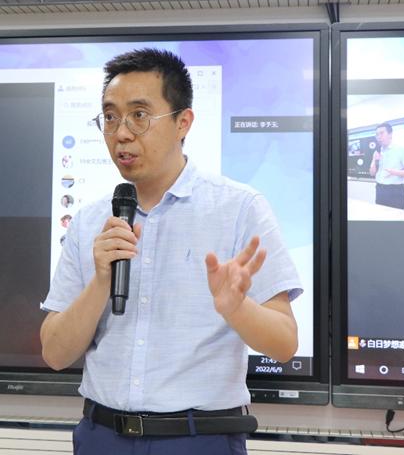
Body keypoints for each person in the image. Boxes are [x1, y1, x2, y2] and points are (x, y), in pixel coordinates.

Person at [40, 48, 302, 455]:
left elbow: (284, 344)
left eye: (139, 115)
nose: (121, 133)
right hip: (101, 436)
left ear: (183, 122)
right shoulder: (91, 221)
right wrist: (101, 281)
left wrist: (237, 308)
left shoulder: (239, 208)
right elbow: (55, 353)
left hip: (199, 439)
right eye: (110, 117)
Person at [369, 122, 404, 210]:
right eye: (377, 134)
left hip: (395, 191)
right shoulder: (377, 151)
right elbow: (372, 173)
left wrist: (393, 172)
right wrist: (374, 160)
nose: (379, 137)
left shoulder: (401, 149)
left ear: (390, 134)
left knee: (396, 217)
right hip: (380, 189)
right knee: (380, 216)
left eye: (382, 133)